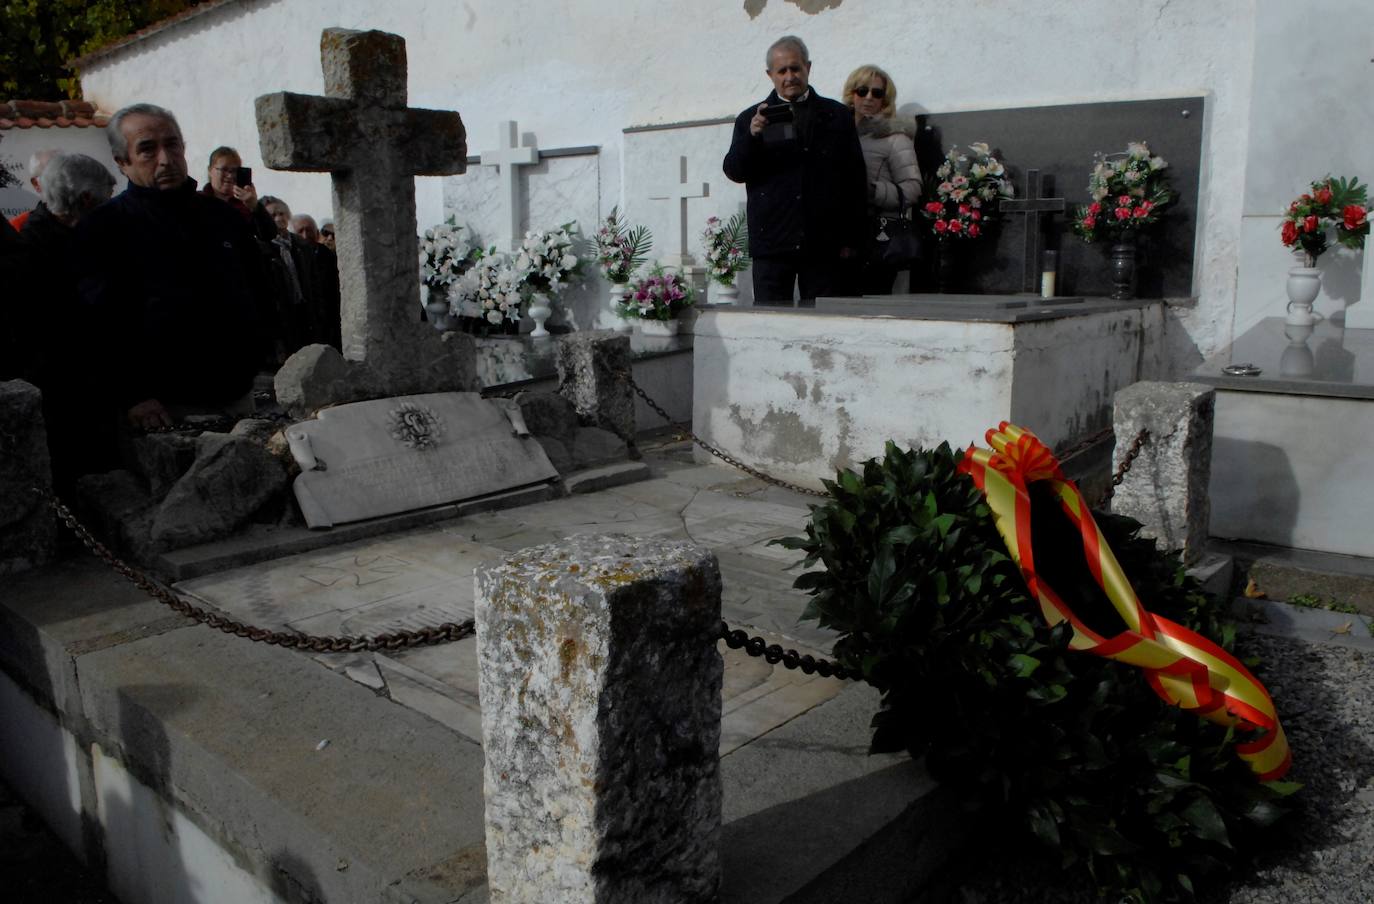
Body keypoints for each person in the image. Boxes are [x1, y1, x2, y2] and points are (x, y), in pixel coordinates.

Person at [75, 103, 268, 432]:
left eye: (172, 144)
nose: (165, 159)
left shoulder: (223, 217)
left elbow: (257, 289)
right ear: (122, 161)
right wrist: (133, 395)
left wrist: (253, 357)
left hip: (236, 393)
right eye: (147, 149)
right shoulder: (103, 228)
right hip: (161, 408)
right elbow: (96, 322)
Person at [722, 35, 867, 306]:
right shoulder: (750, 119)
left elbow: (855, 180)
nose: (790, 77)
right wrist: (752, 137)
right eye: (782, 71)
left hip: (824, 243)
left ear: (808, 67)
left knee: (824, 322)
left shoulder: (837, 115)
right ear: (770, 75)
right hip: (773, 242)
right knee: (771, 322)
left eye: (795, 68)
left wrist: (851, 240)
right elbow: (734, 171)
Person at [7, 154, 119, 488]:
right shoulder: (35, 250)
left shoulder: (54, 237)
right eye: (106, 201)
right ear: (86, 200)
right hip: (65, 399)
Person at [843, 64, 921, 295]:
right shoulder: (838, 133)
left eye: (877, 93)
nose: (869, 97)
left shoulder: (895, 138)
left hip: (876, 236)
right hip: (843, 235)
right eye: (862, 90)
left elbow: (913, 188)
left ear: (884, 100)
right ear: (851, 94)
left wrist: (873, 191)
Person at [202, 146, 277, 242]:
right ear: (210, 170)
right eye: (224, 169)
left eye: (234, 171)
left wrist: (255, 207)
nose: (230, 175)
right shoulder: (198, 201)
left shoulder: (244, 203)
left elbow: (269, 235)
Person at [290, 213, 342, 350]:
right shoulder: (288, 259)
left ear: (316, 233)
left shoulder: (330, 258)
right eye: (300, 231)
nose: (305, 235)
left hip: (331, 324)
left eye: (309, 230)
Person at [8, 148, 59, 231]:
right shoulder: (18, 227)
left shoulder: (81, 222)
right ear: (36, 184)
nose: (65, 182)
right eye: (52, 176)